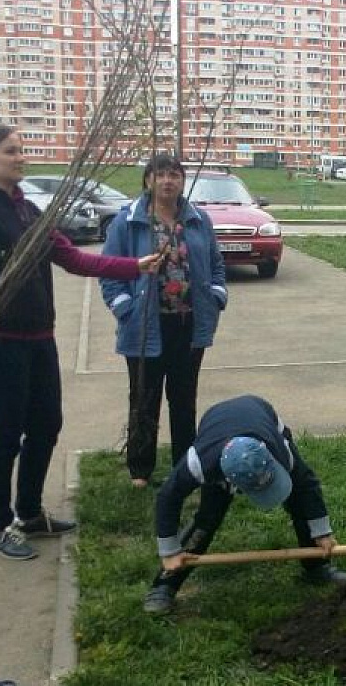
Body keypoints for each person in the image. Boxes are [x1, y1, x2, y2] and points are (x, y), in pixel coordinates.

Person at [0, 124, 164, 561]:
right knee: (4, 435)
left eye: (21, 150)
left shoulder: (29, 211)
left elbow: (72, 258)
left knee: (45, 427)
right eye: (11, 151)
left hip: (39, 340)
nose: (21, 157)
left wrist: (135, 266)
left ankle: (30, 513)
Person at [144, 394, 346, 615]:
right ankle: (165, 584)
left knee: (299, 499)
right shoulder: (200, 463)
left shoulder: (281, 452)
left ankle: (316, 565)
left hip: (260, 413)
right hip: (216, 425)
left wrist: (321, 531)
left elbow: (307, 484)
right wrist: (169, 552)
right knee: (207, 520)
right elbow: (168, 497)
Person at [100, 154, 227, 488]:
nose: (168, 181)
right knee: (144, 397)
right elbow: (109, 271)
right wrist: (124, 308)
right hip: (145, 326)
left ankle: (185, 467)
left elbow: (216, 263)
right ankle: (140, 469)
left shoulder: (197, 219)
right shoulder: (128, 221)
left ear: (183, 181)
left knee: (184, 399)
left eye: (174, 175)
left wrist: (216, 295)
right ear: (148, 180)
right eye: (161, 175)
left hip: (188, 324)